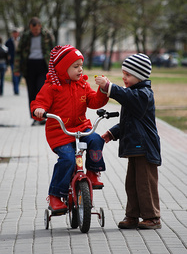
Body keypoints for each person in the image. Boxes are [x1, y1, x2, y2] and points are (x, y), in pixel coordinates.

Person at [30, 45, 109, 213]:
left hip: (82, 129)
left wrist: (102, 90)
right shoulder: (51, 87)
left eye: (81, 65)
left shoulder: (82, 85)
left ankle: (93, 172)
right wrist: (38, 110)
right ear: (62, 68)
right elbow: (39, 103)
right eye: (75, 66)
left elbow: (94, 102)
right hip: (60, 133)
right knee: (67, 159)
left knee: (96, 139)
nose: (80, 69)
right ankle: (55, 196)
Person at [95, 53, 162, 229]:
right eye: (123, 73)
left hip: (145, 147)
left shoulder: (143, 94)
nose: (124, 77)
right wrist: (112, 133)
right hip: (135, 147)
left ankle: (153, 217)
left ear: (139, 76)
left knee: (145, 183)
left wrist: (110, 87)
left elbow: (128, 99)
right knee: (131, 183)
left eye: (128, 75)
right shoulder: (133, 93)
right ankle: (132, 215)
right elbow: (129, 121)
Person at [14, 17, 54, 125]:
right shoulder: (26, 36)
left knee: (41, 91)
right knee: (31, 92)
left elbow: (54, 50)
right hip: (29, 66)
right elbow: (18, 52)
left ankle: (43, 116)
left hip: (43, 65)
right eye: (33, 30)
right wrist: (16, 68)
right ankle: (34, 117)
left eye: (36, 30)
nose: (35, 32)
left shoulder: (47, 35)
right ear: (30, 28)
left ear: (40, 26)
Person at [5, 29, 21, 95]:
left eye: (16, 33)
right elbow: (5, 50)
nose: (15, 34)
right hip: (12, 61)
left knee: (20, 75)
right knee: (14, 75)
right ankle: (16, 89)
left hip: (20, 61)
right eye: (14, 33)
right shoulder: (9, 41)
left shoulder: (21, 40)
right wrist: (8, 56)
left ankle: (16, 85)